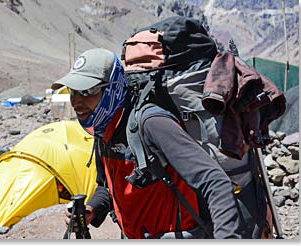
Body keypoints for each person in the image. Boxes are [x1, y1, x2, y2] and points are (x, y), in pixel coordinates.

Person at [51, 48, 244, 239]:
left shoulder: (151, 123)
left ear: (113, 88)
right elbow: (107, 187)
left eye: (87, 90)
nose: (76, 101)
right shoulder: (104, 131)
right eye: (73, 91)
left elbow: (216, 183)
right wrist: (92, 208)